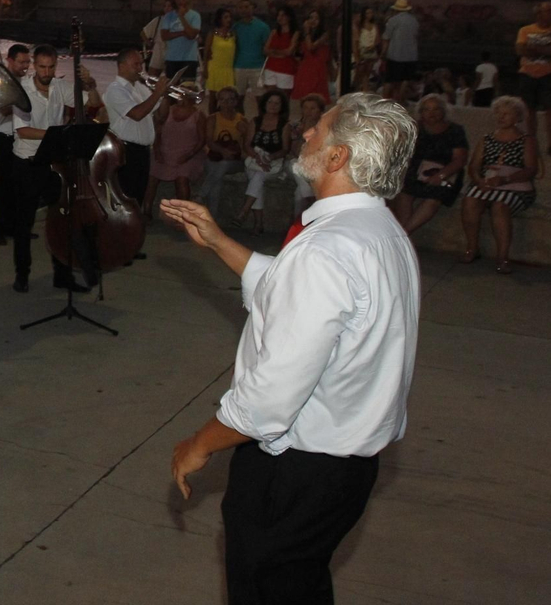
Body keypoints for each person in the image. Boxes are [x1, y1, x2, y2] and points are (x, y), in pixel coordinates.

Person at [161, 93, 421, 605]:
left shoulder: (326, 250)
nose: (304, 134)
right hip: (340, 470)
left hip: (297, 470)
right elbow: (293, 293)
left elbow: (270, 397)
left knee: (266, 587)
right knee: (297, 585)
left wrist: (200, 444)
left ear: (338, 157)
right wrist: (217, 241)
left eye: (317, 131)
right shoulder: (377, 230)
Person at [9, 45, 81, 291]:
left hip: (54, 163)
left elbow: (87, 105)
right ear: (34, 66)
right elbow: (23, 131)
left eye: (51, 67)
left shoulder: (60, 87)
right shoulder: (23, 91)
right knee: (24, 223)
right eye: (42, 66)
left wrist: (89, 86)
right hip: (27, 162)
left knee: (60, 221)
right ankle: (22, 275)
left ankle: (63, 275)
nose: (46, 72)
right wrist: (58, 135)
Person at [102, 48, 173, 254]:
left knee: (137, 200)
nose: (140, 68)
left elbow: (160, 116)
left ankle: (130, 243)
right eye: (136, 64)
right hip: (125, 150)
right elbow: (137, 114)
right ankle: (118, 244)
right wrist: (158, 93)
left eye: (141, 63)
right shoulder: (116, 90)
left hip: (142, 150)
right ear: (122, 66)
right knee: (125, 199)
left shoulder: (140, 89)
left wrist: (165, 96)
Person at [460, 96, 538, 275]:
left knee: (500, 206)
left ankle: (502, 256)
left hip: (515, 184)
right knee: (470, 201)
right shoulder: (487, 139)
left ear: (517, 117)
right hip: (488, 182)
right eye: (499, 114)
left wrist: (505, 179)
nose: (501, 117)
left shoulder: (526, 140)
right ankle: (472, 248)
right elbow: (474, 166)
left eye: (506, 114)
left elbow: (530, 169)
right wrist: (480, 181)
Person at [392, 94, 469, 238]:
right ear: (421, 112)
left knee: (434, 198)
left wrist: (440, 175)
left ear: (443, 111)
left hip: (447, 171)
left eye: (436, 109)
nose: (431, 113)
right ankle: (404, 237)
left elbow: (460, 159)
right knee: (404, 193)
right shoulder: (415, 128)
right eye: (427, 109)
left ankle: (402, 235)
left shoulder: (455, 130)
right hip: (418, 170)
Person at [0, 44, 31, 247]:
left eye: (27, 62)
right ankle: (2, 228)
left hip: (21, 136)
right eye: (22, 62)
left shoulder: (28, 81)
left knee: (21, 184)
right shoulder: (0, 80)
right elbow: (5, 110)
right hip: (4, 135)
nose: (26, 66)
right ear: (10, 60)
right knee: (5, 183)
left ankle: (19, 227)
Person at [234, 90, 291, 234]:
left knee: (257, 177)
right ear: (264, 104)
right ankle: (258, 224)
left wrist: (269, 158)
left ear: (281, 106)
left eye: (277, 103)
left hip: (273, 162)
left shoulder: (284, 125)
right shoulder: (255, 121)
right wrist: (258, 158)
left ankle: (245, 212)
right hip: (254, 159)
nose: (273, 105)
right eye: (270, 102)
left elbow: (285, 149)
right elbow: (247, 144)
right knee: (257, 178)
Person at [515, 2, 551, 158]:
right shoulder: (525, 30)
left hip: (549, 74)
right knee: (529, 111)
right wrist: (546, 49)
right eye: (549, 11)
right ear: (539, 14)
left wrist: (532, 48)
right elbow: (520, 50)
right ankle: (531, 143)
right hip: (527, 73)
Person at [144, 87, 206, 218]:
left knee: (182, 178)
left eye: (184, 95)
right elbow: (157, 133)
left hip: (188, 153)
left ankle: (183, 215)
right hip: (165, 150)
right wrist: (157, 150)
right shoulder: (168, 111)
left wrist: (189, 155)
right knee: (152, 177)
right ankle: (146, 210)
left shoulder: (198, 115)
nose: (180, 98)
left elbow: (202, 140)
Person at [199, 88, 248, 218]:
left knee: (222, 166)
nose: (227, 103)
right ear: (218, 101)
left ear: (236, 101)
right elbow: (209, 141)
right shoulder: (213, 118)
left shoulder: (241, 119)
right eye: (223, 99)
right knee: (217, 180)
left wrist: (244, 132)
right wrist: (222, 151)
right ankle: (211, 218)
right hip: (216, 156)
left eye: (230, 99)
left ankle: (201, 195)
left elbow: (247, 143)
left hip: (234, 160)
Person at [287, 93, 327, 221]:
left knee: (299, 193)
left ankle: (298, 223)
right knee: (296, 166)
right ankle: (311, 201)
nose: (308, 112)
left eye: (312, 108)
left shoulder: (326, 128)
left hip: (317, 163)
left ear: (320, 111)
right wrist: (301, 133)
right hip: (296, 161)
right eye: (305, 108)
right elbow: (296, 152)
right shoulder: (295, 126)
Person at [231, 0, 272, 110]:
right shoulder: (235, 27)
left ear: (253, 8)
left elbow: (267, 48)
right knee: (238, 99)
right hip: (239, 66)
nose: (244, 10)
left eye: (246, 7)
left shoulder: (263, 27)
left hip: (257, 67)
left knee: (260, 99)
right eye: (241, 7)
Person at [381, 0, 420, 102]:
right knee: (405, 79)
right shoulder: (414, 20)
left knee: (390, 79)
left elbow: (386, 38)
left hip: (395, 54)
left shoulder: (393, 20)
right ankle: (400, 101)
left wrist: (383, 53)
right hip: (411, 55)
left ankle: (384, 101)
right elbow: (416, 36)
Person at [159, 0, 202, 80]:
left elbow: (191, 35)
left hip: (189, 59)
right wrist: (182, 33)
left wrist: (181, 17)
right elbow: (164, 36)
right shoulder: (168, 16)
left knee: (187, 86)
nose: (181, 1)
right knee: (171, 88)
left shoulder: (195, 16)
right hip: (172, 58)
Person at [291, 9, 333, 104]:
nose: (313, 20)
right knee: (303, 97)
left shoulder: (324, 34)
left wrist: (307, 32)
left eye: (316, 18)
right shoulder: (303, 35)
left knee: (316, 99)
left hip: (317, 68)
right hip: (305, 68)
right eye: (311, 18)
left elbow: (311, 47)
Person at [261, 7, 298, 97]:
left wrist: (273, 52)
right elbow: (265, 50)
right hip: (271, 67)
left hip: (286, 69)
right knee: (270, 96)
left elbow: (289, 51)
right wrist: (280, 53)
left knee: (284, 97)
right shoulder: (274, 32)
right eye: (278, 15)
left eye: (283, 15)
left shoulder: (295, 33)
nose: (280, 18)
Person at [203, 8, 237, 101]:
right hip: (215, 68)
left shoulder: (233, 34)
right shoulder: (213, 34)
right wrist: (205, 69)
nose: (228, 19)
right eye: (225, 17)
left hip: (228, 69)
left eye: (229, 17)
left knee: (228, 97)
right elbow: (206, 52)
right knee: (213, 98)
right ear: (220, 19)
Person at [141, 0, 174, 76]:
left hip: (172, 52)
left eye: (169, 6)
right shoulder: (159, 20)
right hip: (158, 50)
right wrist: (149, 43)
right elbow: (143, 33)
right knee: (153, 77)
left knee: (170, 78)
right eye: (165, 6)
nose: (166, 8)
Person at [353, 6, 382, 92]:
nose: (369, 15)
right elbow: (356, 41)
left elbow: (377, 38)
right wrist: (356, 54)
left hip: (371, 50)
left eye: (371, 13)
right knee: (360, 72)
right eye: (367, 13)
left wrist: (374, 45)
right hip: (362, 50)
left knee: (368, 72)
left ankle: (365, 89)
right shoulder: (359, 26)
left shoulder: (374, 26)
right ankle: (357, 88)